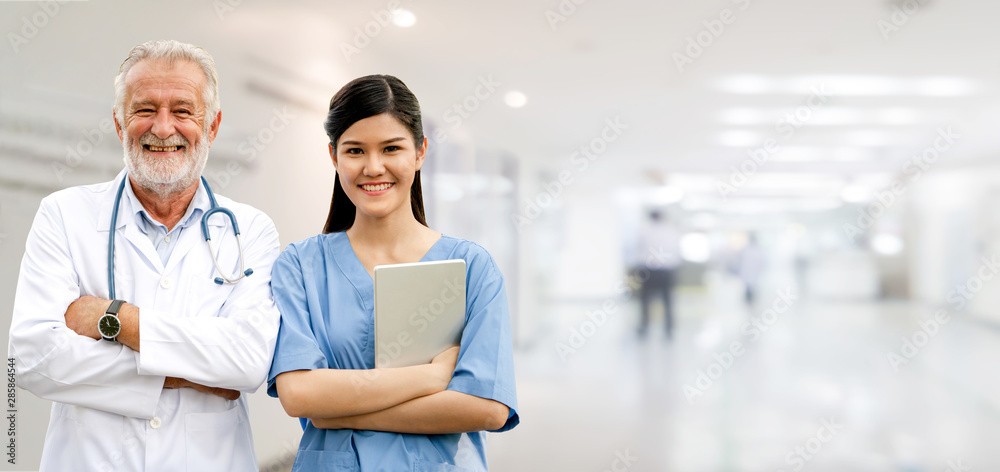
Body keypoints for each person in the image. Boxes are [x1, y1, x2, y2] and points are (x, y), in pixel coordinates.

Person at [7, 40, 280, 471]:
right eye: (145, 109)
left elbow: (247, 363)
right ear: (120, 123)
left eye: (183, 111)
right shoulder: (63, 214)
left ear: (212, 126)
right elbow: (30, 357)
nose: (164, 128)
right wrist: (189, 373)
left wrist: (114, 318)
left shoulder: (251, 230)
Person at [267, 75, 519, 471]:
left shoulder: (472, 268)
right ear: (333, 156)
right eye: (355, 150)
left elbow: (488, 408)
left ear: (420, 152)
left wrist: (336, 411)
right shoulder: (300, 266)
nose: (373, 167)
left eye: (391, 148)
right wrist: (433, 377)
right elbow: (299, 395)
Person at [637, 210, 681, 338]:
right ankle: (669, 328)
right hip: (666, 270)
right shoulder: (671, 232)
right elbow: (676, 251)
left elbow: (639, 250)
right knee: (667, 300)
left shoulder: (644, 231)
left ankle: (644, 327)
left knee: (645, 300)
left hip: (648, 270)